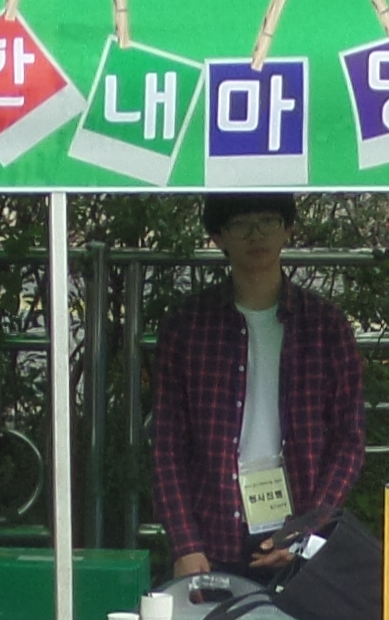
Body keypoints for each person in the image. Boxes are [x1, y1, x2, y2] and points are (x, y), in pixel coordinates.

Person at [146, 193, 366, 580]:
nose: (256, 234)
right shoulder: (187, 325)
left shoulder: (325, 326)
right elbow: (167, 445)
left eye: (268, 221)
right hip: (211, 532)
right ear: (218, 237)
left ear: (288, 229)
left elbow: (349, 441)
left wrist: (307, 529)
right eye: (240, 224)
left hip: (296, 525)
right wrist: (185, 543)